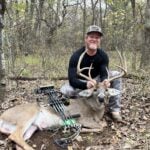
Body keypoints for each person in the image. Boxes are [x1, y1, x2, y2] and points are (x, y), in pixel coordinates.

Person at [60, 25, 122, 121]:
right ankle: (79, 105)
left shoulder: (103, 55)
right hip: (82, 81)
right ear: (86, 39)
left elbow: (103, 71)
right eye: (91, 37)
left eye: (97, 37)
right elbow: (72, 79)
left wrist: (105, 80)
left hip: (96, 81)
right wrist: (85, 84)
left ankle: (114, 110)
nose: (94, 39)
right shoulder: (76, 56)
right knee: (65, 90)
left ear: (99, 40)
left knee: (116, 74)